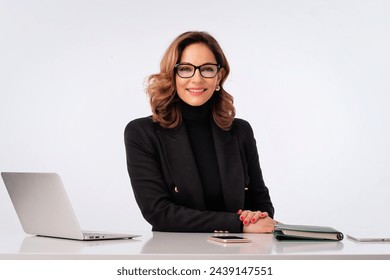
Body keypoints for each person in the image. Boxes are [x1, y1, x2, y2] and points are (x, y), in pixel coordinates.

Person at [124, 31, 276, 233]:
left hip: (239, 253)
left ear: (219, 76)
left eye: (207, 69)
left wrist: (256, 216)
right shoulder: (142, 133)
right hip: (175, 255)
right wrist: (238, 224)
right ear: (173, 75)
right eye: (186, 69)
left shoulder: (241, 131)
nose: (197, 78)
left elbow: (261, 204)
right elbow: (159, 213)